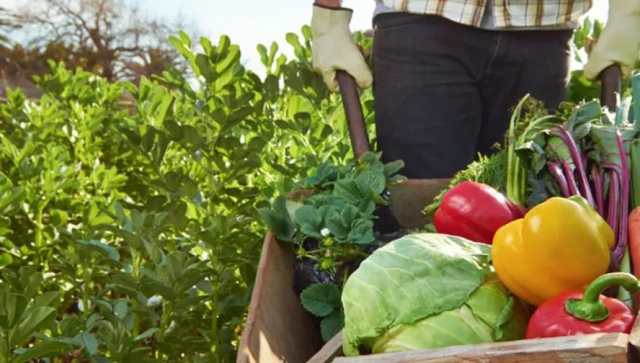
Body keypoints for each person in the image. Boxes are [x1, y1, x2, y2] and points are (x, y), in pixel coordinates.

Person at [311, 0, 640, 179]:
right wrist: (328, 18)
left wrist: (629, 9)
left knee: (526, 203)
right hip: (421, 24)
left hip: (543, 31)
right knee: (420, 208)